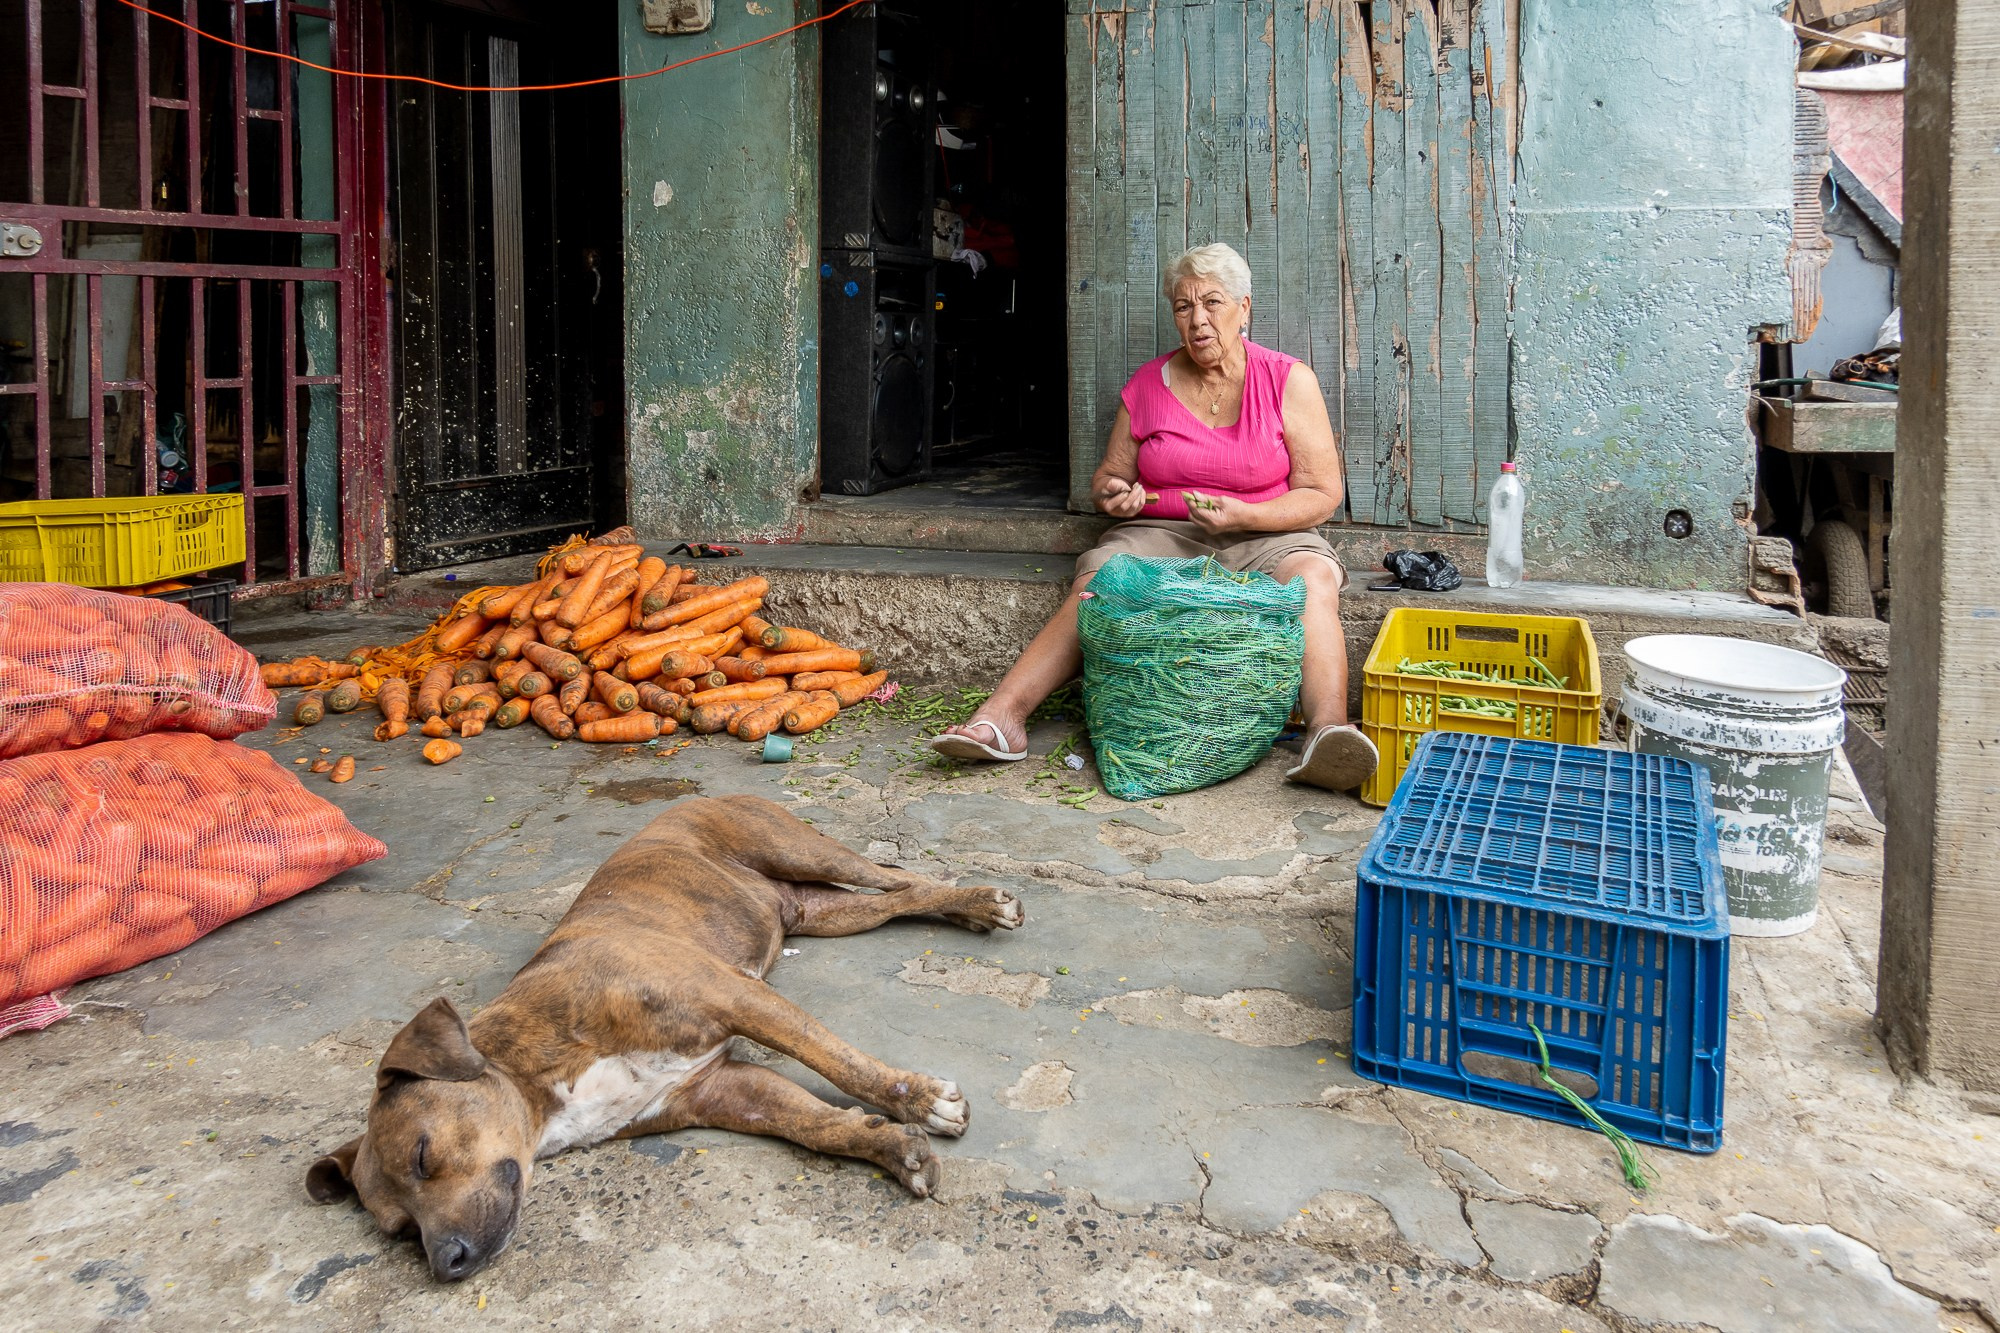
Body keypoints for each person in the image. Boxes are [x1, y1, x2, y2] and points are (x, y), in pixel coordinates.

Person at [931, 242, 1379, 793]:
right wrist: (1115, 496)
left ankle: (1326, 731)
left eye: (1212, 303)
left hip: (1267, 530)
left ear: (1245, 308)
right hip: (1161, 532)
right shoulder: (1148, 385)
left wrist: (1249, 513)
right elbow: (1108, 478)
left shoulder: (1288, 381)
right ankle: (1001, 718)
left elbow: (1321, 493)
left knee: (1312, 580)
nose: (1198, 320)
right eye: (1183, 307)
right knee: (1105, 580)